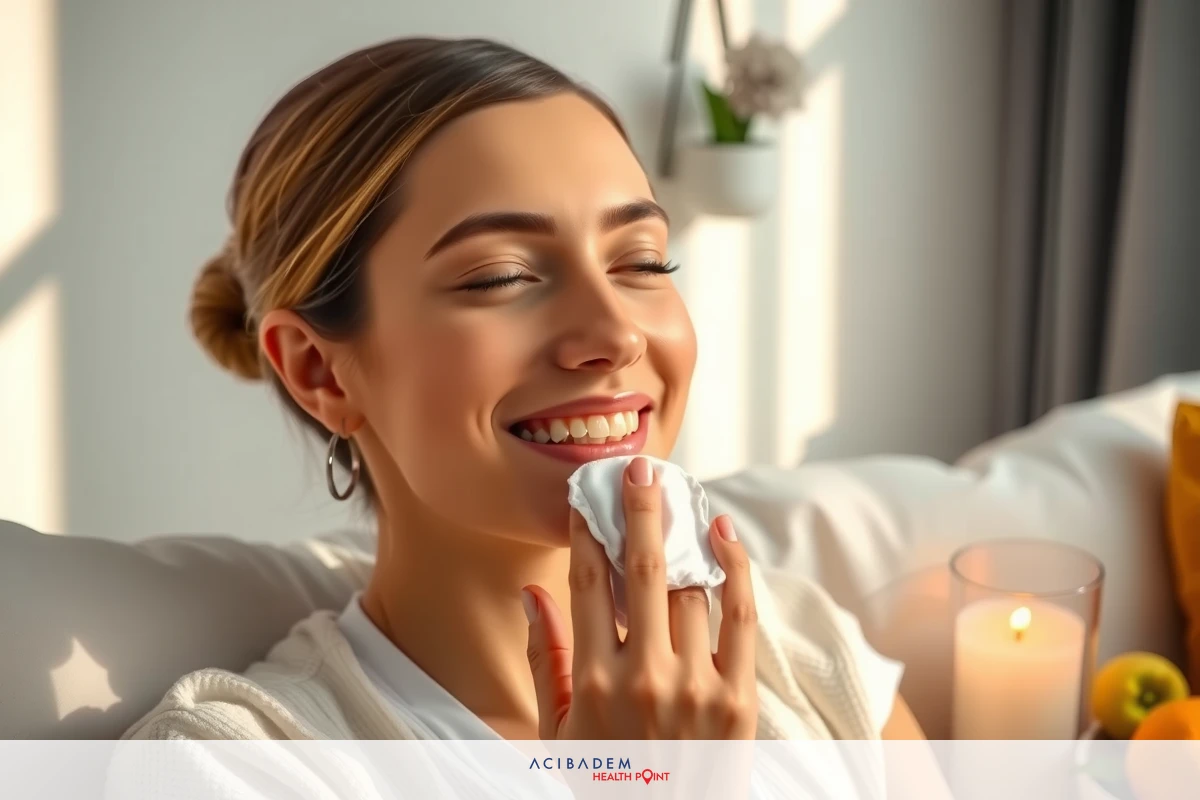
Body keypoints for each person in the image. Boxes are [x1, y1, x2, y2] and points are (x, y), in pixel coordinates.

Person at [123, 36, 924, 743]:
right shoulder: (239, 764)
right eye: (501, 276)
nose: (616, 335)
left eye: (642, 262)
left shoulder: (801, 654)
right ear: (318, 370)